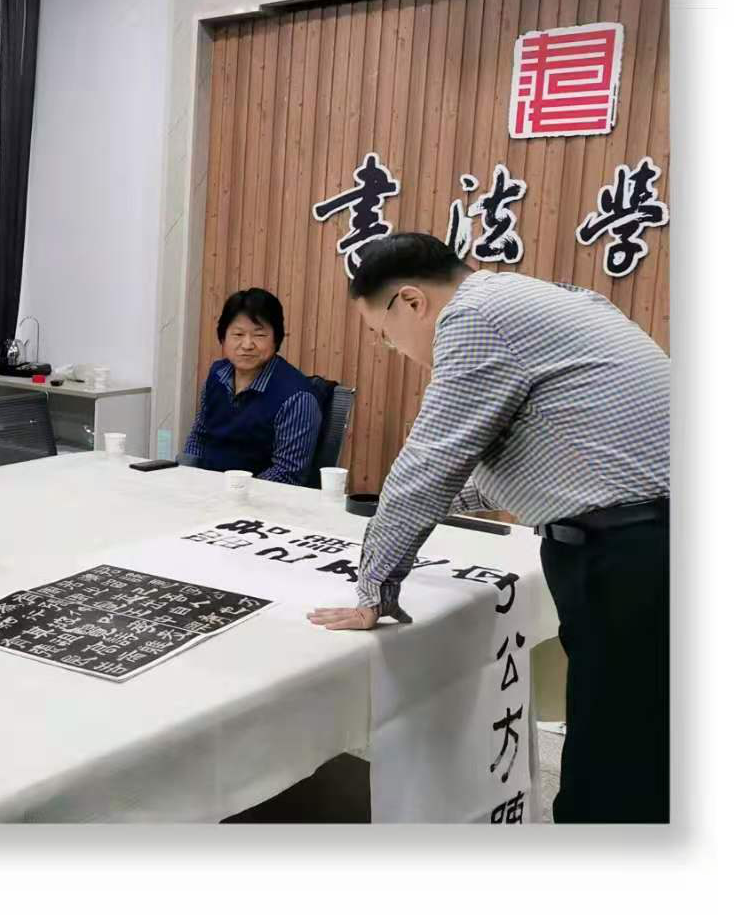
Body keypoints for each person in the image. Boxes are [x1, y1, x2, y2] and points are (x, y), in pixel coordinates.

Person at [307, 233, 670, 824]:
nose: (394, 349)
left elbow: (429, 465)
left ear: (411, 301)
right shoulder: (539, 297)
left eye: (384, 333)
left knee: (613, 767)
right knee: (645, 741)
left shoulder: (474, 318)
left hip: (635, 553)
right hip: (650, 538)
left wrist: (374, 589)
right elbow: (544, 455)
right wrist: (413, 512)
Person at [178, 288, 322, 485]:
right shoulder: (217, 375)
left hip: (259, 497)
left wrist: (233, 491)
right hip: (206, 489)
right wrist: (184, 476)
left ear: (276, 339)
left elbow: (287, 473)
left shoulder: (297, 397)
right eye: (238, 334)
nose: (247, 345)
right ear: (223, 338)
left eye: (259, 335)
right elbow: (199, 436)